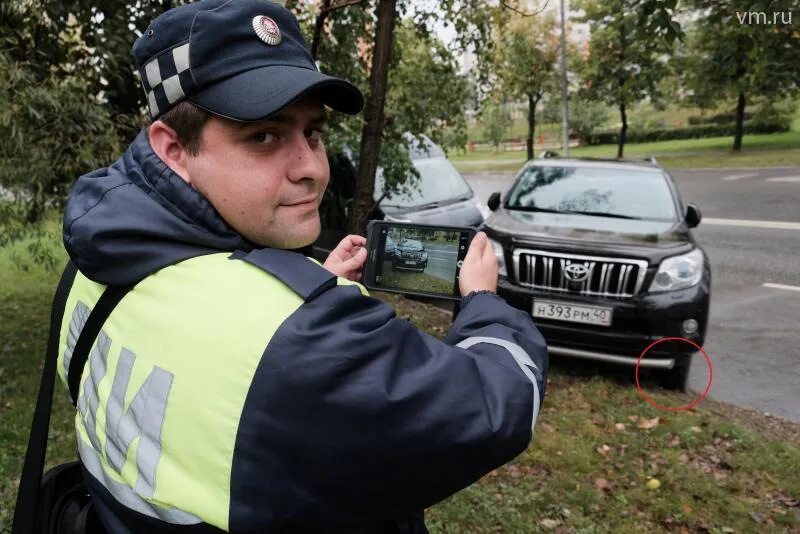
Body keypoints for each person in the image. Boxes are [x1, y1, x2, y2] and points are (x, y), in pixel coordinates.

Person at [57, 0, 548, 532]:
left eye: (312, 133)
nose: (313, 169)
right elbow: (494, 408)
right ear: (174, 149)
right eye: (263, 137)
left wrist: (300, 288)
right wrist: (484, 304)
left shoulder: (93, 267)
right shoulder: (303, 341)